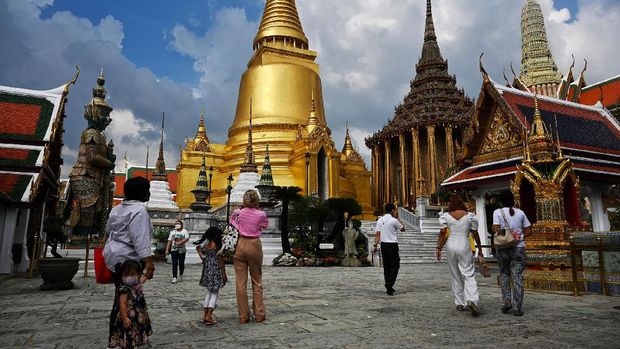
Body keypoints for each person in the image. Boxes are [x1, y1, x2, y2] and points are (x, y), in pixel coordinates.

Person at [103, 176, 155, 348]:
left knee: (121, 296)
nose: (149, 193)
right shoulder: (139, 210)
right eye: (147, 190)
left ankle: (119, 337)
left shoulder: (116, 209)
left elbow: (108, 230)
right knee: (129, 300)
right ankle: (125, 339)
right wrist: (149, 262)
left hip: (114, 258)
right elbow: (140, 239)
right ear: (141, 193)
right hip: (128, 263)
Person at [436, 195, 484, 317]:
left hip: (451, 245)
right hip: (464, 244)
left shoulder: (446, 216)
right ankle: (472, 299)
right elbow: (474, 233)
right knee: (468, 273)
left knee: (455, 274)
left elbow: (442, 232)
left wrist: (438, 248)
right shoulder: (469, 216)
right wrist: (479, 248)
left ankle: (459, 302)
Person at [231, 190, 269, 324]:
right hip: (254, 245)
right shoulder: (261, 214)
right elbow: (264, 225)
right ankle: (259, 314)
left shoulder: (237, 212)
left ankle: (243, 316)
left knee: (240, 283)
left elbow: (233, 224)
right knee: (257, 280)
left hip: (240, 244)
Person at [492, 190, 532, 317]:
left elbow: (495, 229)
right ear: (513, 200)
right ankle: (517, 307)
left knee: (504, 274)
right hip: (518, 247)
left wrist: (502, 231)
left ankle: (507, 301)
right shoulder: (520, 213)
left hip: (503, 247)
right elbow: (529, 230)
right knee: (517, 276)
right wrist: (518, 236)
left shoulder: (497, 212)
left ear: (501, 201)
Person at [108, 260, 153, 348]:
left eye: (132, 274)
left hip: (138, 314)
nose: (129, 277)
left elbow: (144, 278)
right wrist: (125, 318)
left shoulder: (137, 283)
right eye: (126, 275)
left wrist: (149, 272)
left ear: (138, 275)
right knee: (128, 333)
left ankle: (137, 342)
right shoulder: (124, 289)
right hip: (128, 316)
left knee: (138, 330)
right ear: (121, 276)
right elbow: (122, 304)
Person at [195, 226, 227, 325]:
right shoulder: (217, 245)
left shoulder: (207, 245)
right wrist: (224, 273)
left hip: (207, 270)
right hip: (216, 270)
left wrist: (199, 251)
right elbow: (220, 261)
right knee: (215, 294)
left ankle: (204, 315)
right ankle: (209, 316)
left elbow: (203, 258)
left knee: (208, 293)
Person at [373, 203, 405, 296]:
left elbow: (378, 234)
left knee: (386, 266)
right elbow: (403, 229)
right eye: (394, 210)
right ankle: (389, 284)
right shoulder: (394, 220)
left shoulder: (380, 220)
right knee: (395, 266)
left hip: (383, 245)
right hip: (392, 245)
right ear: (392, 211)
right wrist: (398, 218)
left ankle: (389, 286)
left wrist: (375, 245)